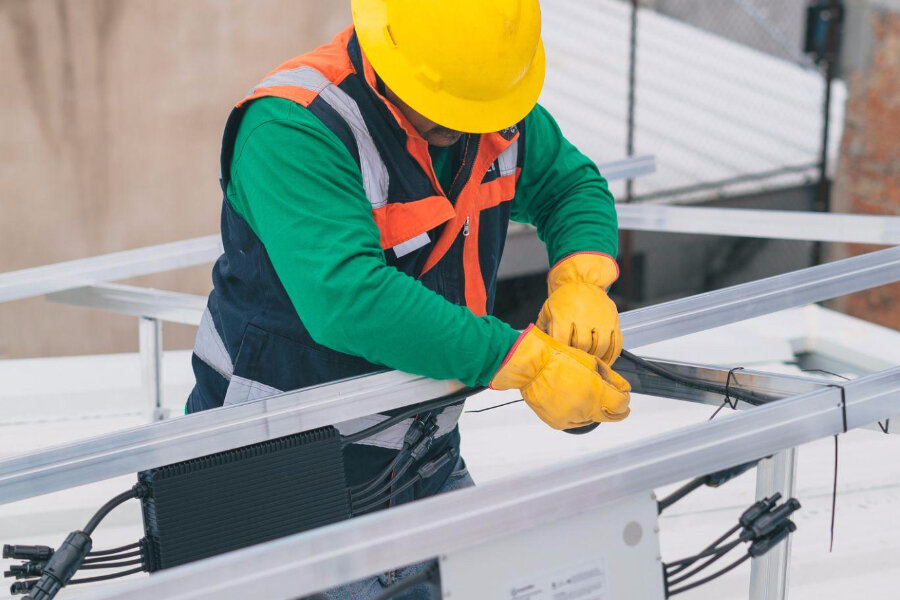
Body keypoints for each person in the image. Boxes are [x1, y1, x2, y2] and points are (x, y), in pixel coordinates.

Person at [186, 0, 631, 597]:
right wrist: (524, 361)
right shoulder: (295, 127)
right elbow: (350, 298)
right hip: (273, 481)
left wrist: (582, 278)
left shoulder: (488, 111)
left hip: (422, 459)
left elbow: (569, 184)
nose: (467, 131)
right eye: (450, 111)